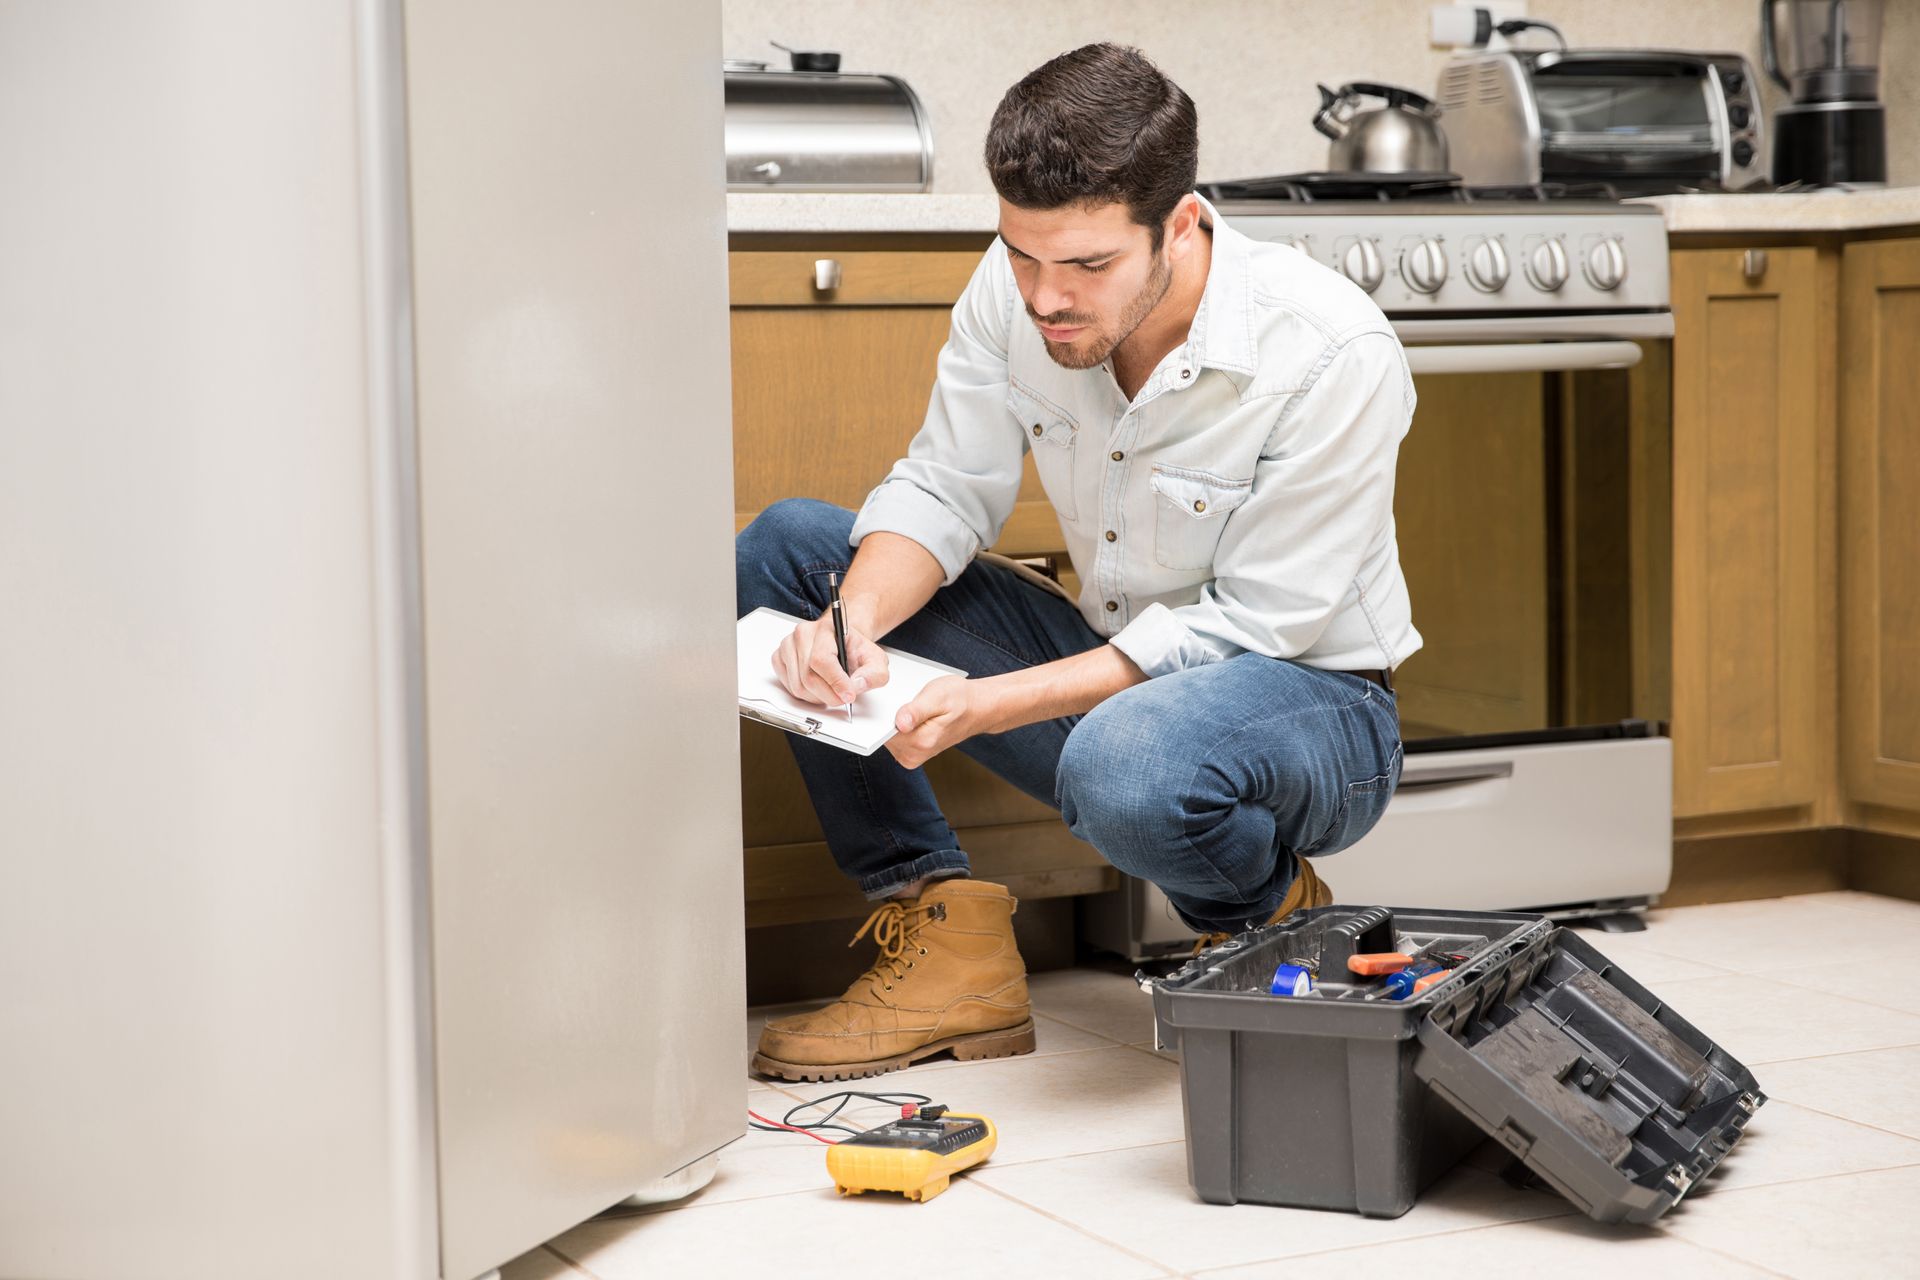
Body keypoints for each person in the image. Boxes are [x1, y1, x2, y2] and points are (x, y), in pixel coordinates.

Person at [737, 43, 1419, 1082]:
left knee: (1128, 762)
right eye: (1023, 256)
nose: (1046, 298)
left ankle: (1269, 916)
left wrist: (988, 704)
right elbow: (946, 485)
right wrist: (853, 619)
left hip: (1314, 703)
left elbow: (1249, 625)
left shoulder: (1330, 350)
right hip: (1114, 667)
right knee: (791, 549)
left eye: (1088, 267)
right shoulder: (1015, 289)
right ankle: (943, 937)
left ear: (1179, 226)